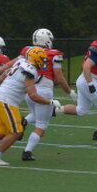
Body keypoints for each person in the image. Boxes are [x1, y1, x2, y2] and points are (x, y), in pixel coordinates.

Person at [0, 47, 60, 165]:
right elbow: (33, 95)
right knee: (16, 132)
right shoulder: (30, 72)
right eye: (42, 59)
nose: (44, 62)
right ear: (36, 59)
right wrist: (50, 102)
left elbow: (6, 72)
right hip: (6, 101)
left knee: (0, 133)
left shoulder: (21, 62)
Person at [18, 29, 77, 160]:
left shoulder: (27, 51)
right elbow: (59, 78)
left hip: (29, 90)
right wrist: (69, 91)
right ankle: (27, 151)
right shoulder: (54, 54)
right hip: (44, 91)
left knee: (37, 114)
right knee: (41, 124)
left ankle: (23, 121)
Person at [60, 27, 97, 144]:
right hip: (88, 79)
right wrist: (90, 83)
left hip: (88, 79)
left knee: (81, 110)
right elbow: (86, 67)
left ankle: (55, 110)